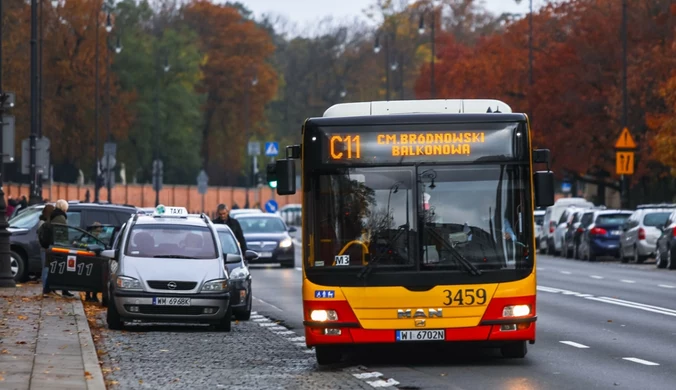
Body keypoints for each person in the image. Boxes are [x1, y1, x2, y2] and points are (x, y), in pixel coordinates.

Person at [51, 199, 74, 297]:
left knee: (57, 268)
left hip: (56, 244)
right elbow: (62, 232)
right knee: (64, 268)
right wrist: (66, 243)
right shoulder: (60, 217)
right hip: (60, 245)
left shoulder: (55, 215)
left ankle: (55, 287)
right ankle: (63, 289)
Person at [37, 204, 56, 297]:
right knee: (46, 269)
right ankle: (45, 289)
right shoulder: (44, 223)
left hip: (44, 247)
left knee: (47, 268)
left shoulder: (42, 221)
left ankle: (48, 288)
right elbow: (43, 236)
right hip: (45, 248)